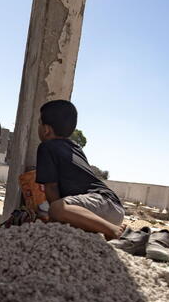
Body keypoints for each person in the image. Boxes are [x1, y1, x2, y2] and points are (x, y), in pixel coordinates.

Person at [35, 100, 125, 241]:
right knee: (54, 210)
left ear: (46, 130)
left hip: (100, 203)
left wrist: (55, 219)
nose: (38, 127)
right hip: (111, 207)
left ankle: (114, 230)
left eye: (39, 123)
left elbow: (51, 188)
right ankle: (109, 227)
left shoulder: (46, 147)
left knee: (55, 209)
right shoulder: (76, 147)